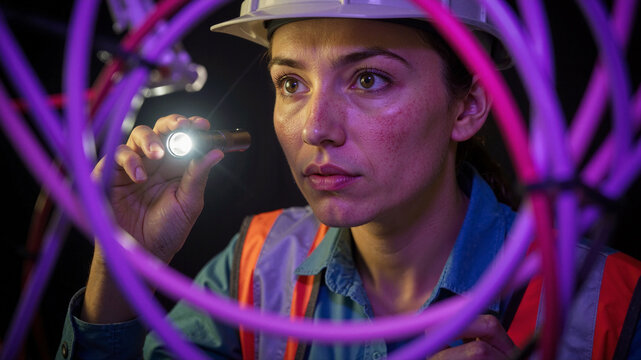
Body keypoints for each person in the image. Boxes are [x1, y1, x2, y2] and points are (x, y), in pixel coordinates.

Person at [56, 0, 641, 359]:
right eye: (292, 84)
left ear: (467, 107)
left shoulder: (609, 300)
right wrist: (122, 259)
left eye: (368, 80)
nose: (316, 130)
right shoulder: (255, 268)